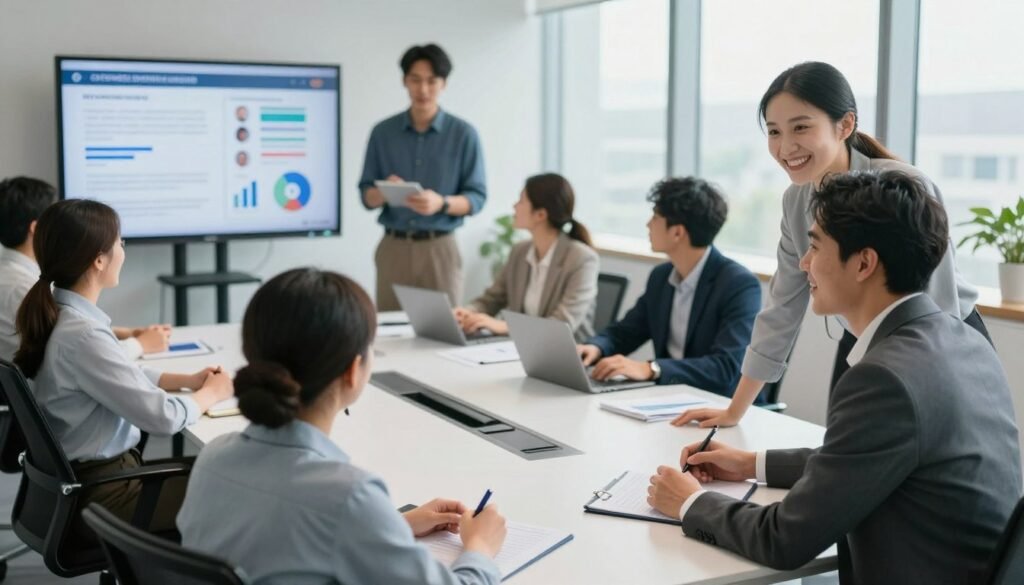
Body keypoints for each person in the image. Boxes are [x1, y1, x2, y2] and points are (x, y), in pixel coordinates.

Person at [647, 170, 1021, 583]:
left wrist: (690, 503)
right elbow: (861, 458)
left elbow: (784, 539)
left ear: (864, 263)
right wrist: (752, 464)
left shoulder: (885, 377)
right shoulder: (963, 340)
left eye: (815, 245)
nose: (803, 263)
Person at [674, 61, 984, 427]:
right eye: (774, 132)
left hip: (944, 341)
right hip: (861, 334)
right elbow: (782, 307)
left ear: (845, 125)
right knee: (845, 451)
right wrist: (735, 411)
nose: (785, 147)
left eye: (801, 127)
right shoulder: (796, 201)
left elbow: (940, 303)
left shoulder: (902, 187)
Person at [177, 268, 508, 584]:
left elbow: (286, 536)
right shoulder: (348, 498)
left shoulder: (213, 458)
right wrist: (481, 546)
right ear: (353, 370)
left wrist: (391, 527)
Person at [14, 199, 234, 541]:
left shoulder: (61, 316)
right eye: (120, 243)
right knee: (237, 491)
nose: (124, 252)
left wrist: (187, 381)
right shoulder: (83, 335)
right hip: (108, 494)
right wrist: (212, 393)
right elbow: (163, 419)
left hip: (82, 485)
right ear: (98, 260)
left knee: (217, 474)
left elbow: (116, 376)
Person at [578, 177, 761, 397]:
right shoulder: (661, 277)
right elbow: (626, 331)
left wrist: (652, 368)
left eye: (655, 217)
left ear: (677, 233)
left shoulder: (739, 285)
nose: (648, 224)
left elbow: (725, 368)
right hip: (668, 399)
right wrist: (596, 347)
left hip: (719, 405)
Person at [359, 43, 486, 310]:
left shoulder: (464, 134)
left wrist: (442, 203)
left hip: (439, 249)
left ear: (444, 84)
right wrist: (382, 193)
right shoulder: (383, 132)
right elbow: (366, 195)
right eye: (415, 80)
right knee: (389, 334)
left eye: (431, 81)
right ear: (405, 81)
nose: (423, 89)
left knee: (443, 334)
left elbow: (477, 197)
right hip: (394, 247)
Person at [0, 176, 170, 361]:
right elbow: (76, 351)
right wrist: (141, 344)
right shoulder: (23, 288)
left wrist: (123, 333)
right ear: (37, 228)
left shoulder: (13, 276)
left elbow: (66, 333)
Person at [455, 173, 598, 341]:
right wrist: (467, 312)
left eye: (521, 201)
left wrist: (503, 326)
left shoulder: (582, 258)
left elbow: (561, 325)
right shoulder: (520, 251)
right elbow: (492, 299)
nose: (514, 206)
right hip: (520, 348)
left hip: (565, 353)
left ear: (540, 215)